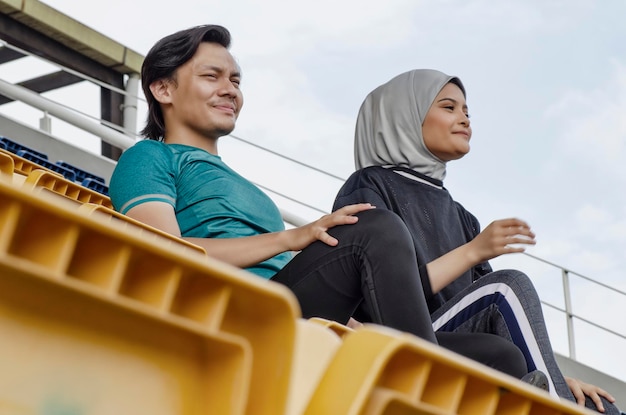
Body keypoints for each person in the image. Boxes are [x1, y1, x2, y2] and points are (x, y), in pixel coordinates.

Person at [109, 25, 534, 381]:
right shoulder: (149, 157)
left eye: (236, 80)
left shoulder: (247, 189)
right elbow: (164, 253)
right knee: (373, 228)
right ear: (163, 89)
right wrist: (291, 238)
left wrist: (351, 321)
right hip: (237, 314)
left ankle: (402, 367)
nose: (229, 90)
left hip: (292, 312)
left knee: (499, 355)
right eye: (212, 77)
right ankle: (413, 384)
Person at [332, 68, 621, 413]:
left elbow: (498, 317)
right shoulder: (369, 184)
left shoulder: (462, 216)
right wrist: (474, 250)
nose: (465, 119)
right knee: (507, 287)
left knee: (601, 405)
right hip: (398, 332)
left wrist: (554, 375)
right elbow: (380, 290)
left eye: (467, 111)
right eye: (449, 107)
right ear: (404, 116)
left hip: (456, 339)